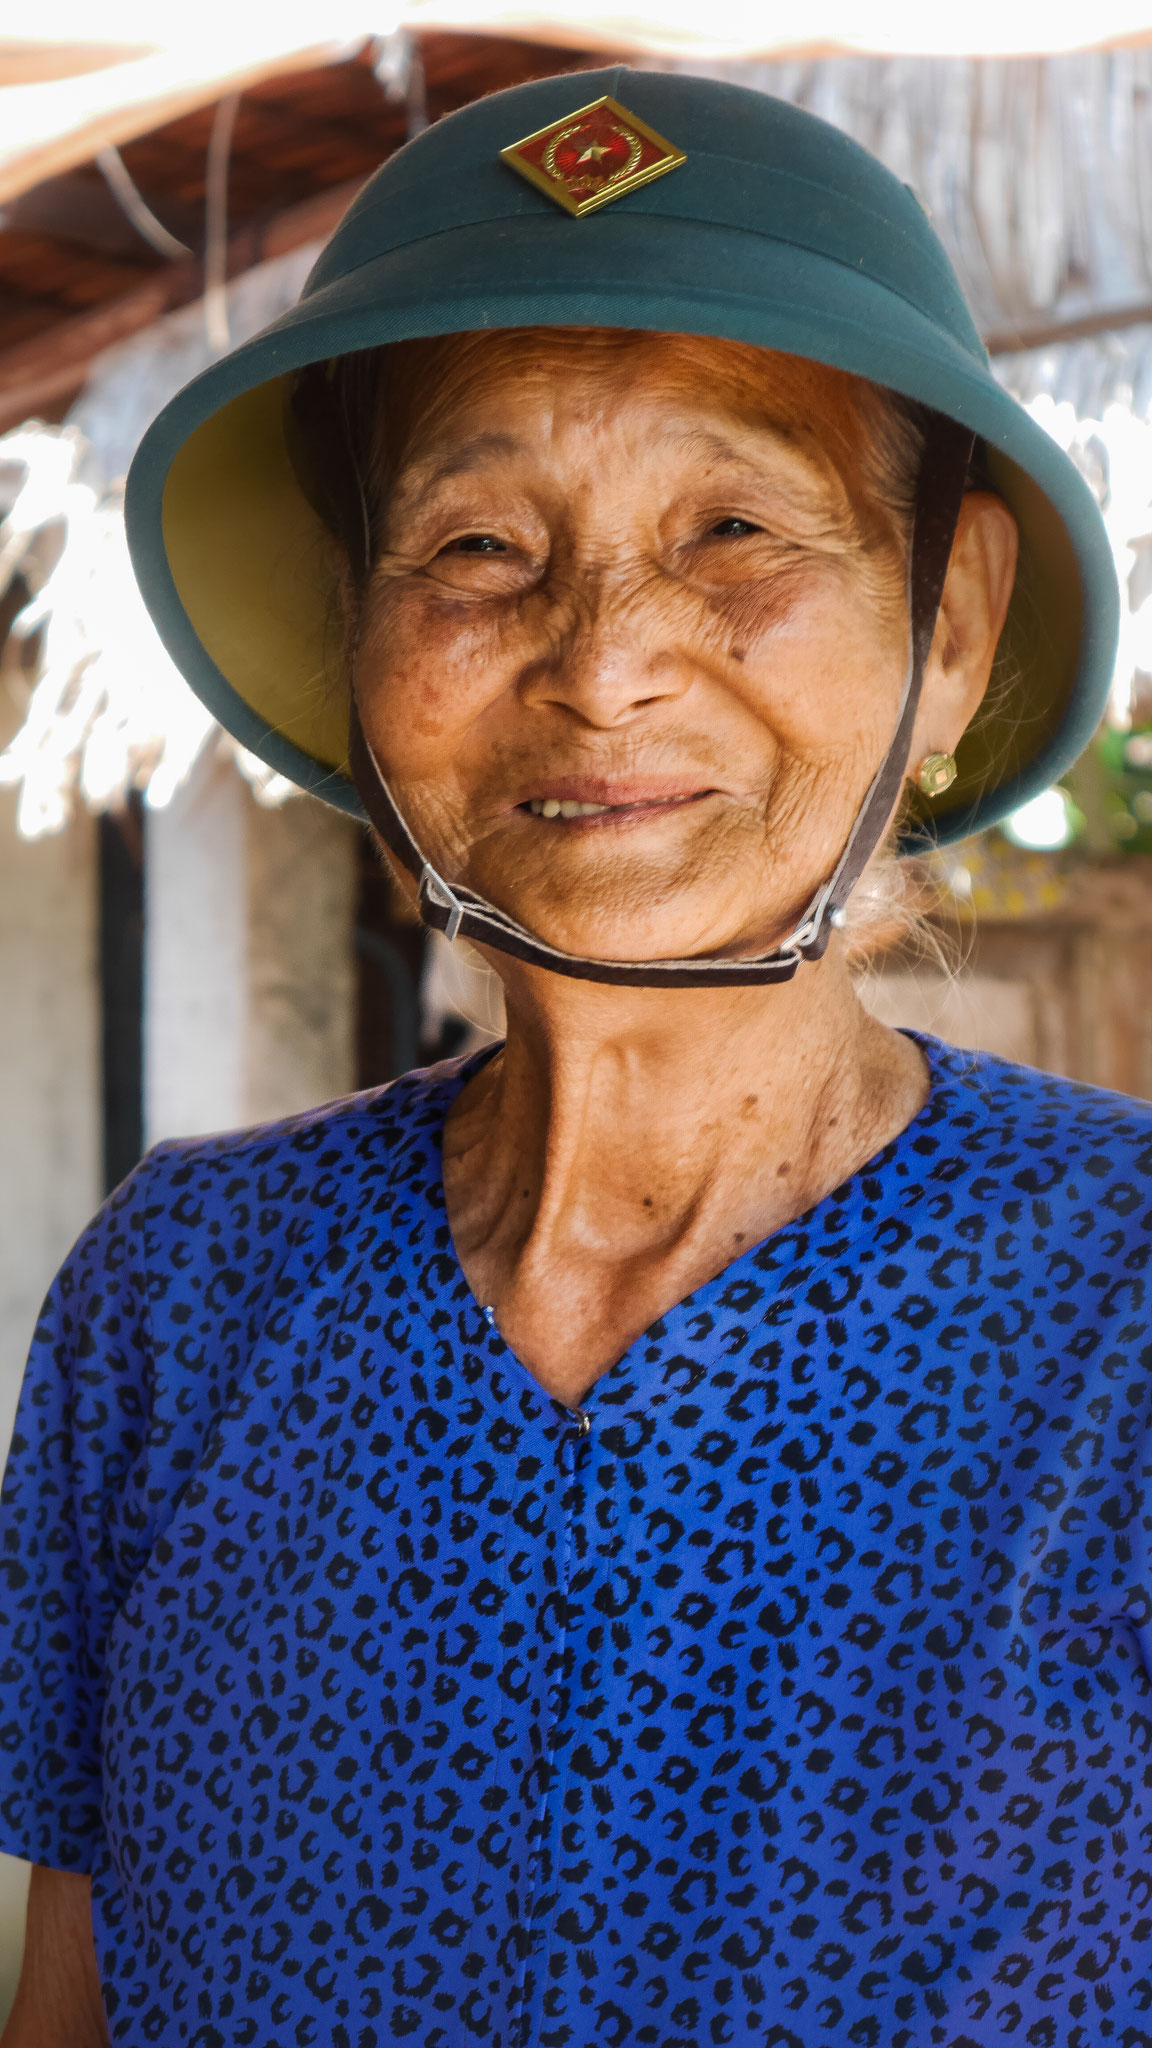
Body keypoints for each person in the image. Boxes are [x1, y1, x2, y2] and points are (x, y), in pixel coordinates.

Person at [0, 64, 1144, 2048]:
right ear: (363, 645)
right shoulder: (178, 1297)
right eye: (476, 548)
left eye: (733, 527)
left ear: (948, 628)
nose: (605, 657)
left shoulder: (1121, 1306)